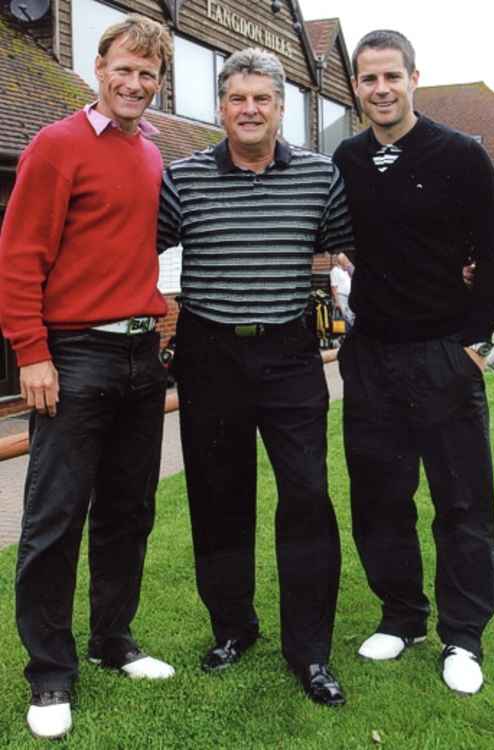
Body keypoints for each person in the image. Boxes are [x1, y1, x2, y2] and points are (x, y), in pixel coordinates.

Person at [158, 47, 352, 707]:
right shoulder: (180, 178)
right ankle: (233, 627)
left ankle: (311, 651)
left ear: (280, 107)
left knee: (305, 498)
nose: (248, 110)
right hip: (209, 354)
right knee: (218, 499)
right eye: (237, 98)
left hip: (289, 353)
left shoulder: (320, 176)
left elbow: (348, 247)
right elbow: (132, 249)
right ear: (221, 107)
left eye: (260, 99)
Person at [0, 15, 174, 740]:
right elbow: (18, 253)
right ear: (97, 67)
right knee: (53, 519)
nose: (134, 84)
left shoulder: (153, 155)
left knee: (129, 512)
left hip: (140, 357)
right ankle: (49, 675)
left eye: (148, 75)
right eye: (123, 69)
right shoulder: (57, 143)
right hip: (75, 356)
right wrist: (31, 350)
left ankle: (112, 641)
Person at [333, 29, 494, 695]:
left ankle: (462, 637)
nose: (380, 89)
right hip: (371, 356)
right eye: (368, 79)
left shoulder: (460, 154)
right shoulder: (344, 158)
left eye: (391, 77)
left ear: (413, 78)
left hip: (444, 353)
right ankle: (400, 616)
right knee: (380, 498)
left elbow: (493, 256)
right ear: (355, 87)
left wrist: (475, 346)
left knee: (460, 503)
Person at [330, 253, 354, 328]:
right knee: (345, 318)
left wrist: (349, 265)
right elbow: (333, 287)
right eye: (345, 259)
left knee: (350, 316)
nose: (347, 261)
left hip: (348, 296)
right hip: (341, 297)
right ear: (340, 261)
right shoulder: (335, 270)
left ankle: (348, 333)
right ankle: (343, 335)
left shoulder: (346, 270)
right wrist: (337, 301)